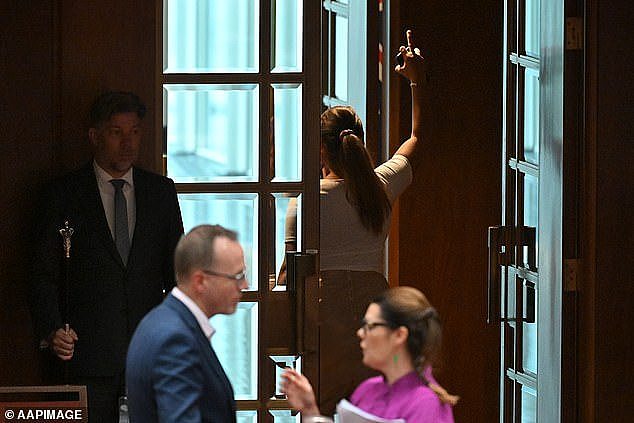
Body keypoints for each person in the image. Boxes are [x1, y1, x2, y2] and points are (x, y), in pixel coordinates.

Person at [280, 29, 427, 414]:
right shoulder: (380, 187)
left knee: (321, 412)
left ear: (320, 151)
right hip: (373, 314)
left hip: (321, 319)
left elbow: (287, 278)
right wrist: (416, 82)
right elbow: (415, 138)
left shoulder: (305, 204)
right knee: (372, 412)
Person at [29, 91, 184, 422]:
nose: (127, 143)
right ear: (95, 136)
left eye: (135, 132)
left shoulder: (161, 193)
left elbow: (177, 276)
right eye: (116, 132)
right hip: (85, 357)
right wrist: (52, 329)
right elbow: (41, 274)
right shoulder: (63, 195)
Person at [126, 225, 248, 423]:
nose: (245, 285)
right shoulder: (174, 340)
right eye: (237, 276)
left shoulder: (160, 320)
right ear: (200, 281)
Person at [281, 286, 458, 422]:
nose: (360, 333)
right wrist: (310, 410)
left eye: (370, 326)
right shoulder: (367, 390)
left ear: (399, 335)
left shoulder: (426, 403)